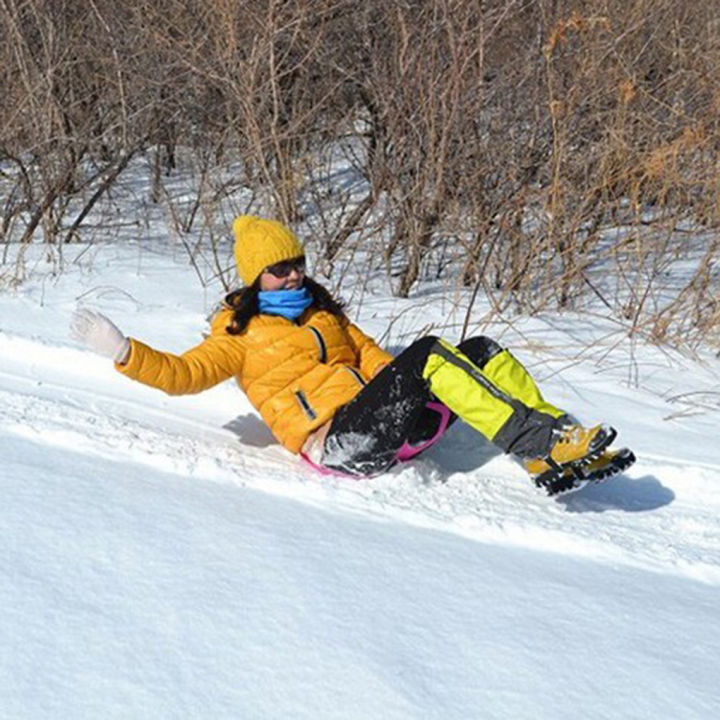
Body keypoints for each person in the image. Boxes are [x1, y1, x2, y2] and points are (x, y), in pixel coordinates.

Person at [70, 215, 634, 494]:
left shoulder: (324, 313)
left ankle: (551, 444)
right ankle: (540, 443)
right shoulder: (237, 334)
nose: (294, 273)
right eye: (280, 268)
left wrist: (413, 388)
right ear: (255, 277)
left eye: (297, 262)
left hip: (386, 425)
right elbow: (183, 376)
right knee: (432, 353)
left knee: (481, 351)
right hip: (337, 443)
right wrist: (123, 351)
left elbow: (374, 362)